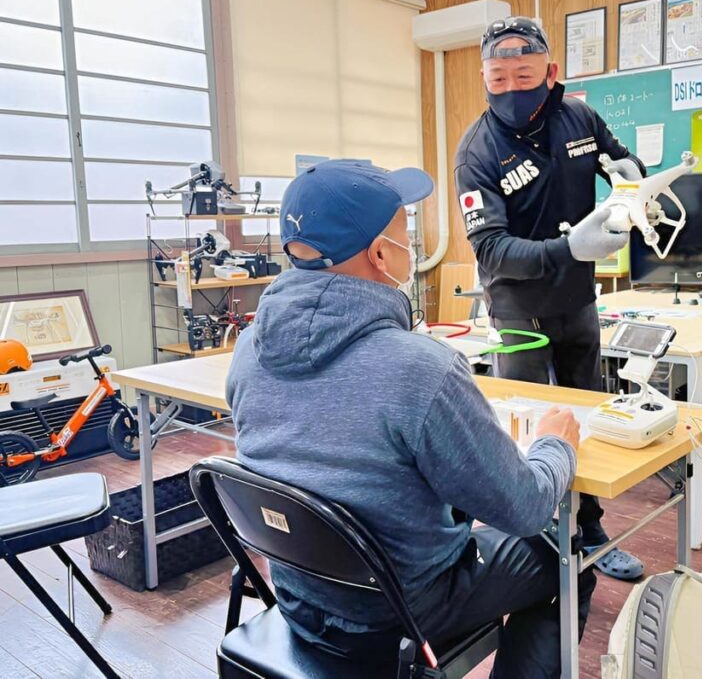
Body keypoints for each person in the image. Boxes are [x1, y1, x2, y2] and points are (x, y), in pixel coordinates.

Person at [227, 159, 596, 678]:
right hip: (399, 608)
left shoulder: (247, 351)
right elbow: (526, 506)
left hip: (299, 591)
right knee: (566, 561)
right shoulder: (421, 369)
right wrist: (554, 445)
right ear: (380, 254)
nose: (412, 244)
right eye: (405, 230)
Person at [454, 17, 646, 580]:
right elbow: (489, 248)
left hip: (578, 301)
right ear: (484, 79)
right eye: (499, 78)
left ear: (551, 73)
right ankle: (537, 540)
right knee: (532, 425)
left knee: (587, 413)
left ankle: (589, 528)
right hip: (517, 309)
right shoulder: (477, 151)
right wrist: (569, 248)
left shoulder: (578, 117)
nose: (511, 88)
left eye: (524, 74)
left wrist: (633, 184)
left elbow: (621, 161)